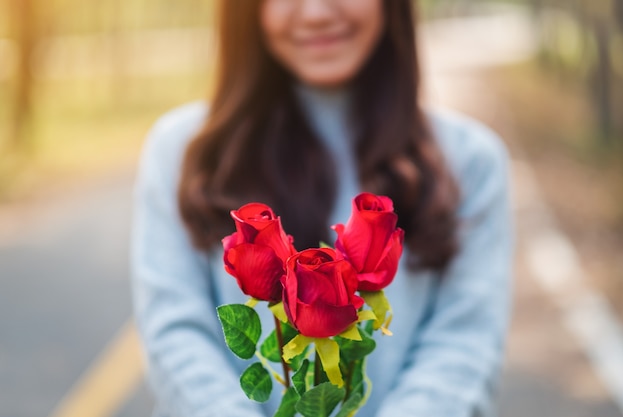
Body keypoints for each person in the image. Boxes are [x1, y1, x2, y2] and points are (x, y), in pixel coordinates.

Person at [131, 0, 513, 416]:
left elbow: (463, 342)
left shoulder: (469, 162)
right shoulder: (183, 152)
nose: (315, 13)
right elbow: (176, 335)